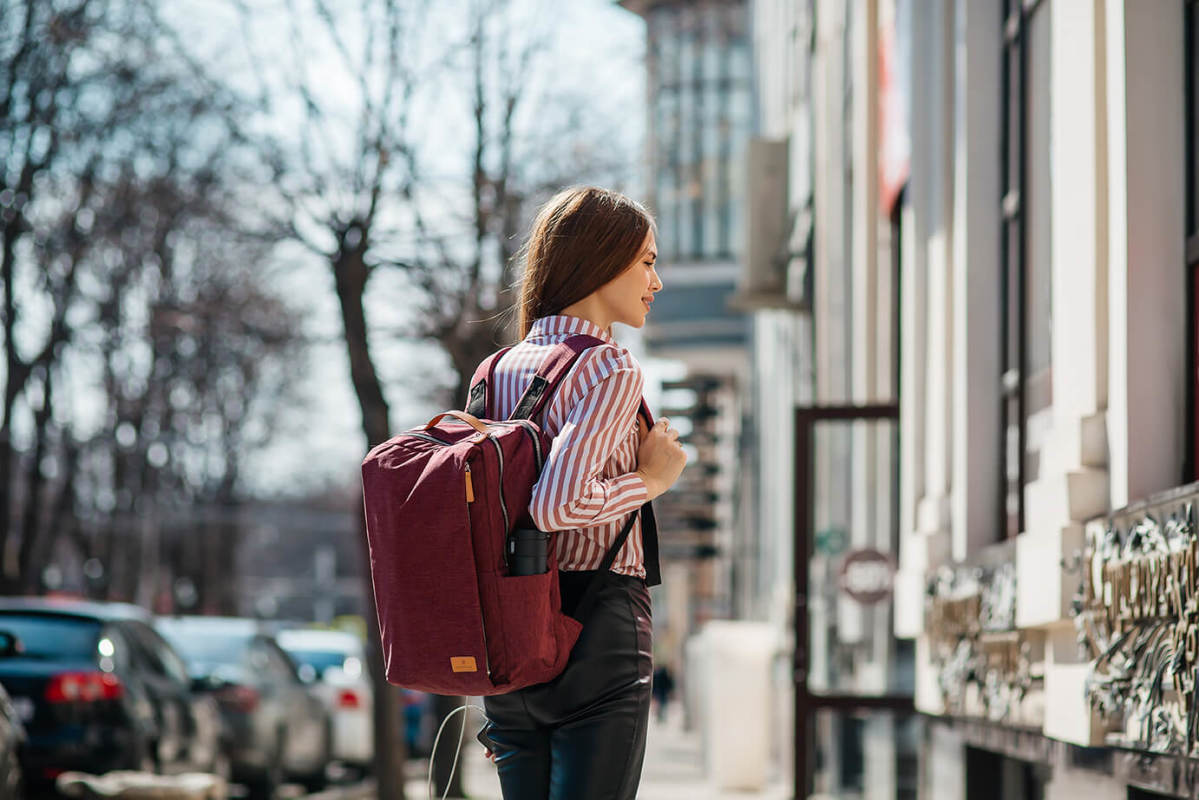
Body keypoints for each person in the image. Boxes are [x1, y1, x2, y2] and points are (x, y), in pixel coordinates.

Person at [475, 185, 687, 800]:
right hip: (598, 625)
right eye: (647, 261)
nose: (658, 280)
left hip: (512, 627)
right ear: (601, 260)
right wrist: (652, 479)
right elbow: (558, 504)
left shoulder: (496, 371)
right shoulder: (608, 367)